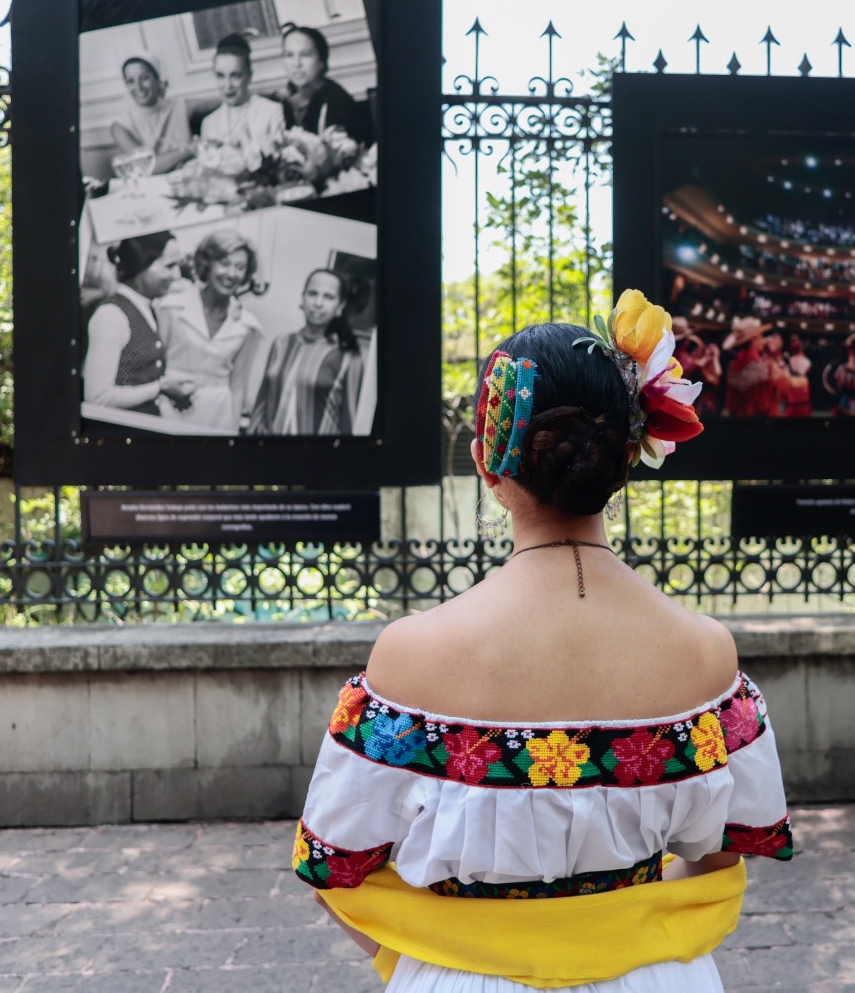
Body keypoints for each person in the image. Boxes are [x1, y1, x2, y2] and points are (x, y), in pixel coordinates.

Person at [294, 294, 792, 989]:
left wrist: (437, 955)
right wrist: (603, 935)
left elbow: (332, 868)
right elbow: (734, 847)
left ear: (485, 463)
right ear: (631, 456)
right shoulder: (707, 654)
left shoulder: (408, 659)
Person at [153, 229, 265, 431]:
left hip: (216, 417)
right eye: (224, 264)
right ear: (208, 264)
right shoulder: (171, 307)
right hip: (167, 406)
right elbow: (153, 365)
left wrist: (232, 431)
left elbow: (238, 384)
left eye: (240, 267)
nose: (231, 274)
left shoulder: (249, 326)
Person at [81, 232, 195, 417]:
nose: (176, 275)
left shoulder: (146, 307)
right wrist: (160, 387)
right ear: (141, 265)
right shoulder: (112, 315)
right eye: (169, 266)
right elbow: (97, 398)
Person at [250, 268, 368, 435]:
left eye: (328, 297)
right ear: (303, 298)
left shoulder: (348, 356)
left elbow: (349, 419)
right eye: (312, 293)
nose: (318, 303)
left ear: (340, 306)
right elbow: (262, 400)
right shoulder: (281, 343)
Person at [197, 33, 285, 177]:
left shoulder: (272, 111)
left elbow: (278, 161)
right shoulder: (209, 123)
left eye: (235, 76)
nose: (227, 85)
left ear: (249, 76)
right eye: (220, 76)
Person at [278, 22, 372, 145]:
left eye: (305, 55)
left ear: (322, 60)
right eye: (289, 55)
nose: (296, 64)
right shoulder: (281, 102)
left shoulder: (338, 102)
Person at [108, 55, 192, 175]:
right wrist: (191, 148)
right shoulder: (119, 127)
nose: (138, 87)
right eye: (130, 81)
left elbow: (222, 98)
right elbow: (147, 166)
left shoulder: (179, 106)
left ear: (158, 79)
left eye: (145, 78)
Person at [780, 334, 812, 417]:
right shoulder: (806, 361)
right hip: (801, 384)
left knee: (793, 404)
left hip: (792, 383)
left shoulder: (789, 360)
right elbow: (807, 369)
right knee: (801, 406)